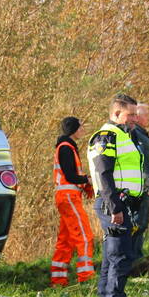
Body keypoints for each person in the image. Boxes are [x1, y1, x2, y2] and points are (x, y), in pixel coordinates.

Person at [88, 93, 144, 297]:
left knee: (114, 256)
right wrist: (115, 207)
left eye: (135, 113)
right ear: (115, 113)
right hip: (114, 204)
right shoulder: (106, 136)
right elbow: (103, 172)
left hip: (122, 204)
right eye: (130, 114)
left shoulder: (123, 135)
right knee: (121, 256)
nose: (134, 118)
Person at [50, 116, 95, 286]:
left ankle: (58, 280)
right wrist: (87, 180)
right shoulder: (66, 148)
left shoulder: (66, 147)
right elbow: (70, 176)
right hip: (69, 197)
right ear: (74, 129)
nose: (83, 129)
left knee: (66, 240)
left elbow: (70, 175)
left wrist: (84, 182)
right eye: (81, 127)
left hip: (66, 197)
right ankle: (86, 277)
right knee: (84, 236)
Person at [130, 103, 149, 260]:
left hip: (145, 185)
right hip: (142, 187)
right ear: (138, 116)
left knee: (142, 222)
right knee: (138, 222)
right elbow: (143, 162)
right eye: (146, 114)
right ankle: (133, 257)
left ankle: (136, 255)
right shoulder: (137, 135)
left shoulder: (142, 134)